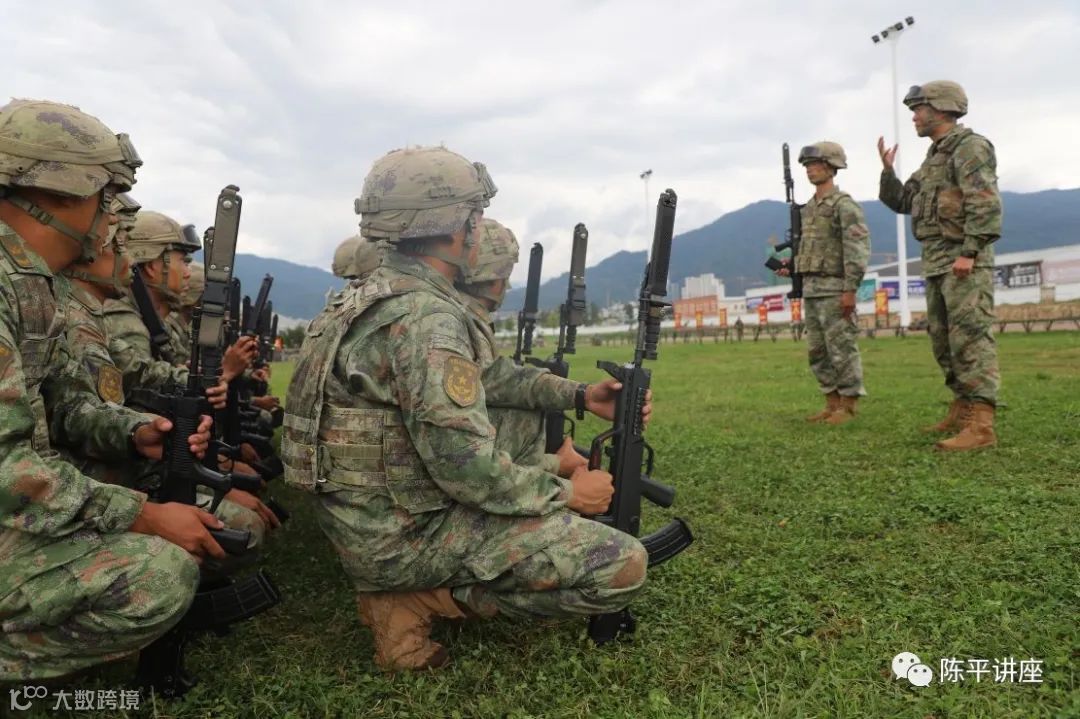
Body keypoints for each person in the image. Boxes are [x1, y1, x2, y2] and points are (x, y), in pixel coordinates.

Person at [283, 146, 648, 672]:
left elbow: (487, 377)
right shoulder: (425, 317)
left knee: (515, 415)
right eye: (475, 214)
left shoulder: (369, 297)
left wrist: (580, 395)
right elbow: (469, 471)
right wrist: (570, 492)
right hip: (404, 537)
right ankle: (413, 600)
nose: (478, 227)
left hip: (369, 521)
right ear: (460, 225)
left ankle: (407, 590)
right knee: (622, 565)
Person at [0, 99, 220, 680]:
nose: (110, 221)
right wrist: (140, 514)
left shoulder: (33, 285)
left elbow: (68, 406)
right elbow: (4, 467)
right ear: (65, 193)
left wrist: (137, 431)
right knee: (157, 575)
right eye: (106, 195)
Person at [879, 80, 1002, 450]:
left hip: (963, 260)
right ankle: (962, 409)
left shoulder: (970, 147)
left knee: (970, 339)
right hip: (936, 262)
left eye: (919, 109)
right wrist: (887, 171)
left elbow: (984, 201)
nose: (914, 117)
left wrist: (970, 252)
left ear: (942, 108)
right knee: (944, 342)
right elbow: (903, 202)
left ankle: (982, 425)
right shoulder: (933, 158)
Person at [457, 217, 584, 476]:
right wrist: (554, 465)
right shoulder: (463, 320)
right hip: (473, 472)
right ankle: (538, 483)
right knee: (524, 411)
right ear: (496, 278)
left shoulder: (457, 314)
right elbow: (494, 383)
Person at [776, 142, 870, 424]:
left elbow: (857, 249)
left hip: (835, 288)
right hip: (812, 289)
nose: (810, 170)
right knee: (818, 351)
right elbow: (810, 247)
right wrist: (795, 266)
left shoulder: (844, 205)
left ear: (832, 167)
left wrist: (850, 289)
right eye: (807, 166)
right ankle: (831, 402)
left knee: (842, 348)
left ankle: (848, 406)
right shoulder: (808, 210)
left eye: (815, 165)